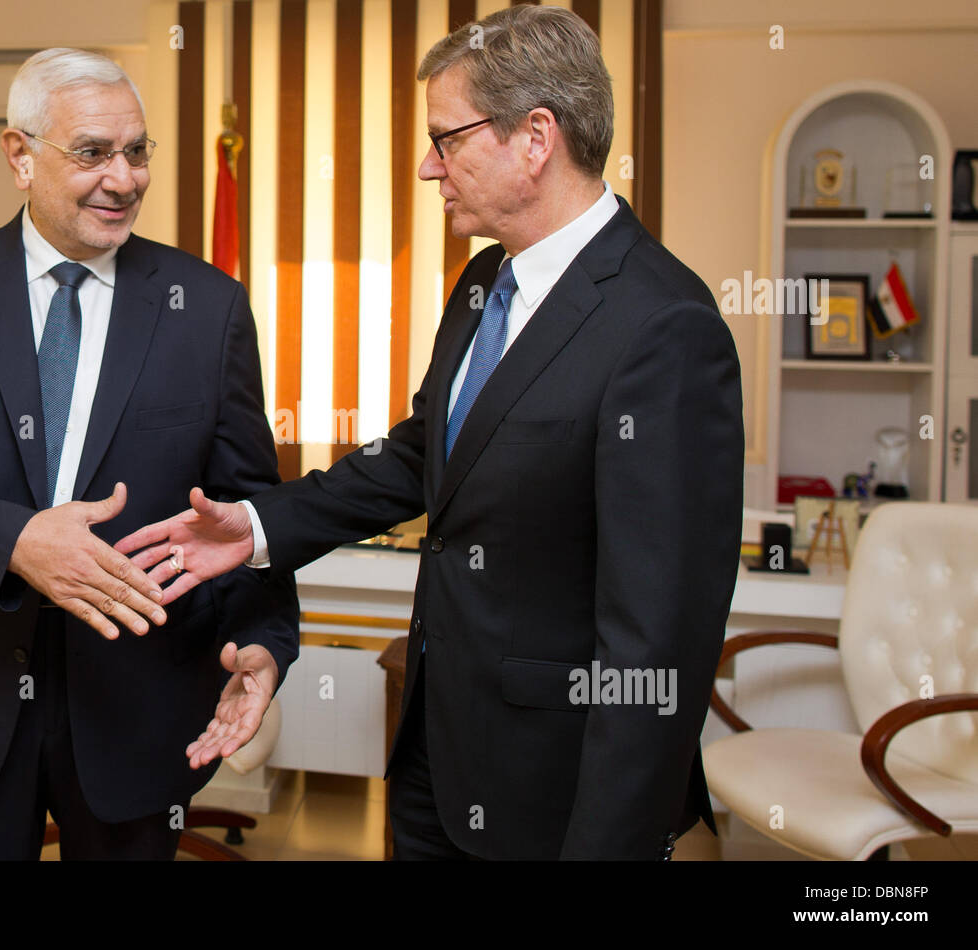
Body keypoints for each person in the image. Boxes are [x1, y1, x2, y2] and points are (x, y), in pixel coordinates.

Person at [118, 6, 744, 860]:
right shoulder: (488, 279)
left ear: (535, 137)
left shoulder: (665, 325)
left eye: (446, 139)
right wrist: (260, 527)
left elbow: (658, 640)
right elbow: (426, 454)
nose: (426, 166)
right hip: (433, 762)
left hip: (553, 796)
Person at [0, 48, 298, 860]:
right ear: (20, 156)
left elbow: (244, 504)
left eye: (138, 151)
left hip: (141, 702)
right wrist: (16, 541)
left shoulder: (208, 310)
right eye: (92, 153)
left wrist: (266, 641)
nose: (124, 179)